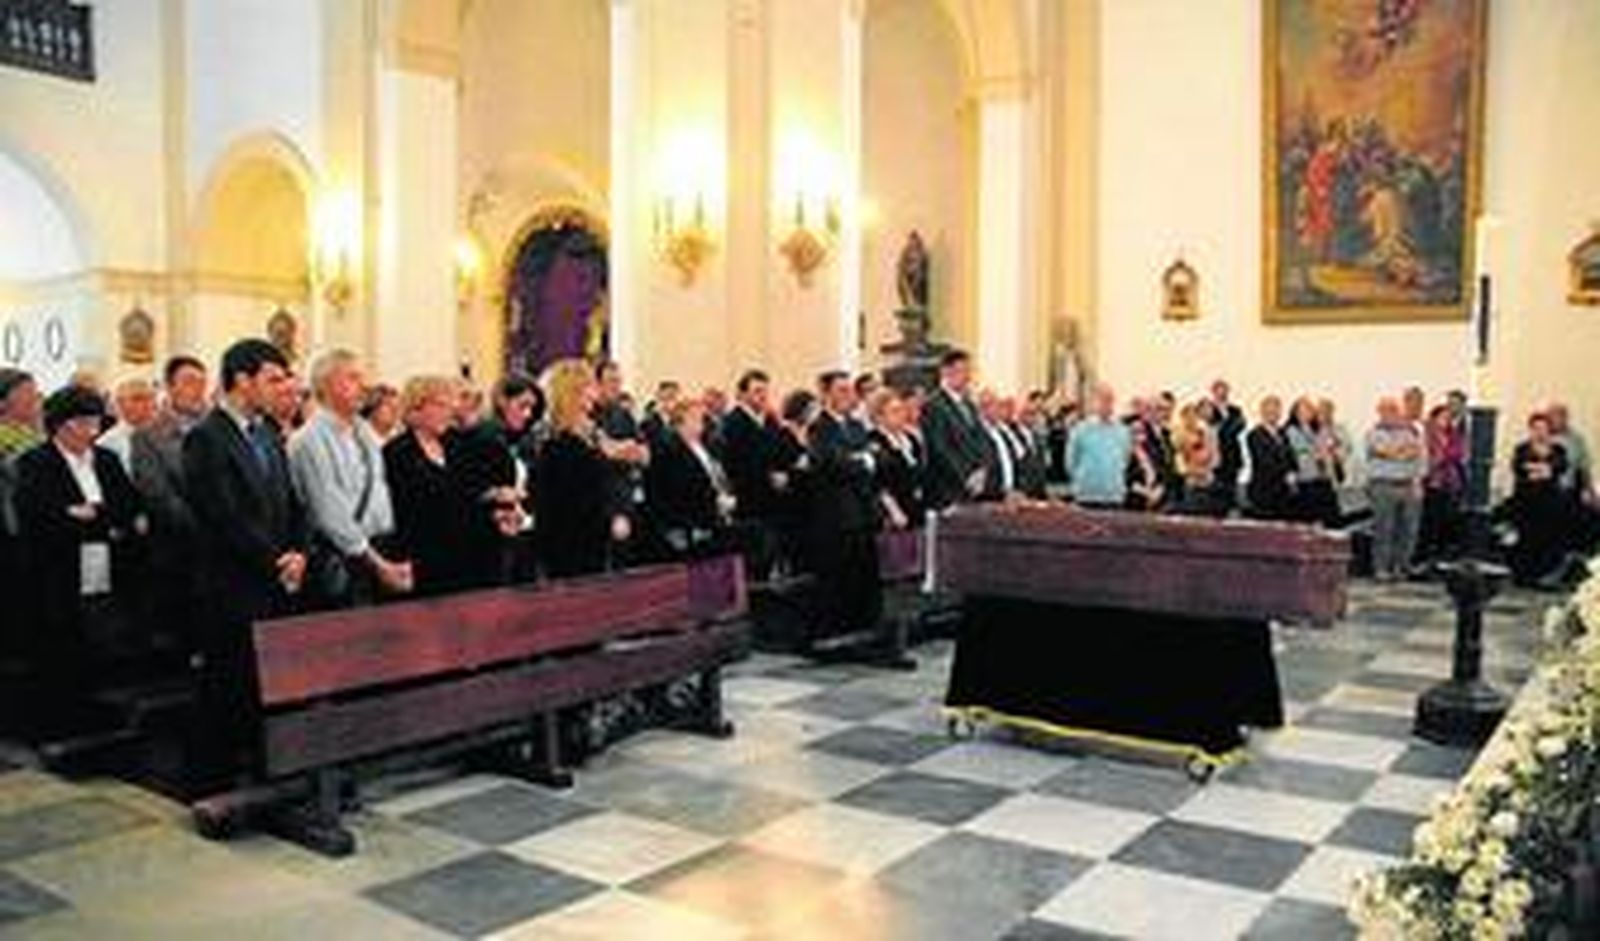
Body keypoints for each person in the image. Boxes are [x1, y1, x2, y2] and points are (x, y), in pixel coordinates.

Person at [182, 339, 307, 789]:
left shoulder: (267, 434)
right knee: (227, 681)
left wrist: (299, 551)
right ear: (241, 380)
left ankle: (262, 765)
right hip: (231, 583)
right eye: (274, 379)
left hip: (274, 579)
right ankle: (212, 779)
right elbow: (223, 515)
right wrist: (276, 559)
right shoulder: (206, 438)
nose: (283, 388)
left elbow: (293, 504)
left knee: (264, 683)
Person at [14, 386, 147, 739]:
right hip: (60, 571)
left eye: (94, 422)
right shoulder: (35, 464)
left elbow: (129, 507)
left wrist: (92, 516)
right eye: (82, 423)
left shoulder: (106, 460)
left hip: (109, 564)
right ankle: (62, 722)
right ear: (59, 425)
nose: (91, 431)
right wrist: (87, 519)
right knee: (63, 641)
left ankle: (100, 714)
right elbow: (40, 518)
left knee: (104, 637)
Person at [288, 349, 410, 608]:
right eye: (352, 378)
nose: (363, 386)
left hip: (383, 548)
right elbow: (329, 511)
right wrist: (378, 563)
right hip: (347, 558)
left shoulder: (364, 431)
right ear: (325, 385)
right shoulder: (309, 440)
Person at [385, 376, 513, 596]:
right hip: (428, 563)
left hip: (472, 559)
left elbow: (471, 488)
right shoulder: (397, 453)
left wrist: (494, 504)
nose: (450, 411)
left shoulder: (458, 445)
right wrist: (483, 497)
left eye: (450, 404)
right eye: (441, 404)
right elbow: (416, 506)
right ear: (416, 409)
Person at [130, 355, 211, 660]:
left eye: (202, 383)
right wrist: (205, 526)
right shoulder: (147, 436)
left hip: (219, 547)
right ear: (169, 387)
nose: (198, 390)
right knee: (184, 630)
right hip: (179, 548)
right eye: (189, 383)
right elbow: (159, 495)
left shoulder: (215, 429)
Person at [537, 359, 631, 578]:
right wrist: (610, 520)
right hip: (571, 547)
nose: (595, 391)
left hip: (591, 541)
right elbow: (573, 503)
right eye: (590, 385)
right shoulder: (560, 444)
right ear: (574, 393)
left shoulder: (587, 436)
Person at [808, 371, 883, 643]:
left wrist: (860, 459)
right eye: (840, 390)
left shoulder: (856, 426)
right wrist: (862, 460)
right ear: (826, 395)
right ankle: (835, 631)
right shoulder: (820, 428)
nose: (847, 395)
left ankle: (861, 628)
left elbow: (876, 458)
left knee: (861, 572)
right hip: (835, 514)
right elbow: (832, 464)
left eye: (849, 390)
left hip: (861, 510)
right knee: (837, 575)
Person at [646, 398, 738, 560]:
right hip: (690, 524)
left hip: (716, 518)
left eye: (701, 417)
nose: (701, 422)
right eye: (695, 417)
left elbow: (716, 474)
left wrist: (725, 494)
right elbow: (672, 491)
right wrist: (713, 501)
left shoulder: (706, 445)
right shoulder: (668, 449)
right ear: (679, 423)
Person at [1506, 412, 1572, 586]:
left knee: (1546, 537)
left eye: (1543, 428)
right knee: (1526, 537)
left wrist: (1541, 470)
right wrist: (1542, 470)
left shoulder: (1558, 449)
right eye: (1536, 428)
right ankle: (1522, 575)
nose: (1539, 432)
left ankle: (1542, 575)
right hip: (1526, 500)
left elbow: (1560, 467)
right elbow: (1518, 467)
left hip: (1549, 501)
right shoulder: (1522, 448)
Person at [1365, 396, 1427, 581]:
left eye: (1393, 410)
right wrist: (1400, 452)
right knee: (1384, 529)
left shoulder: (1411, 432)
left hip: (1408, 485)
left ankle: (1401, 567)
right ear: (1379, 412)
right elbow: (1386, 452)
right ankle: (1382, 568)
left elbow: (1417, 454)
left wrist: (1417, 481)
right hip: (1383, 485)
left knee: (1408, 530)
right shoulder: (1373, 433)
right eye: (1386, 410)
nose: (1390, 414)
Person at [920, 350, 990, 510]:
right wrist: (966, 476)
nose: (967, 377)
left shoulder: (969, 405)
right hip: (947, 489)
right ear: (945, 371)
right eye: (962, 371)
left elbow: (981, 439)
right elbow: (940, 448)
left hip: (974, 487)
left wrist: (982, 470)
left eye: (969, 371)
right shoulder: (934, 405)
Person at [1067, 383, 1132, 509]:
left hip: (1114, 495)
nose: (1106, 404)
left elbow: (1125, 459)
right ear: (1093, 402)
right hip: (1087, 495)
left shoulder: (1122, 431)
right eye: (1102, 399)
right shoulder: (1081, 429)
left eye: (1109, 400)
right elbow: (1071, 462)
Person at [866, 389, 925, 529]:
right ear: (879, 417)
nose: (902, 415)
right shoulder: (873, 441)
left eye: (902, 410)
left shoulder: (910, 438)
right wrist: (893, 510)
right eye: (894, 411)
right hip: (894, 511)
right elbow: (877, 483)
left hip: (916, 505)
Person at [1416, 403, 1466, 564]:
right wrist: (1439, 458)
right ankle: (1423, 557)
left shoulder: (1454, 435)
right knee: (1429, 521)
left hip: (1450, 483)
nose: (1446, 421)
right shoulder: (1427, 435)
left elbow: (1458, 453)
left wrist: (1444, 456)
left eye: (1448, 418)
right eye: (1443, 417)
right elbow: (1428, 457)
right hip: (1431, 482)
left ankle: (1440, 556)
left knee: (1447, 521)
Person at [1285, 396, 1339, 526]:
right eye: (1303, 410)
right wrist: (1318, 451)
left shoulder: (1320, 429)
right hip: (1305, 480)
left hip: (1324, 478)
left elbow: (1330, 446)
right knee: (1307, 520)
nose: (1307, 413)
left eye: (1309, 409)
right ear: (1295, 413)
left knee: (1331, 519)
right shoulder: (1291, 430)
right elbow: (1300, 450)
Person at [1245, 396, 1297, 520]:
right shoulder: (1254, 435)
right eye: (1269, 411)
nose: (1273, 414)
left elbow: (1290, 456)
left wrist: (1293, 471)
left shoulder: (1283, 433)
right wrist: (1286, 472)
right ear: (1262, 412)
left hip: (1283, 491)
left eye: (1276, 410)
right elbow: (1264, 461)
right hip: (1264, 491)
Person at [98, 375, 159, 473]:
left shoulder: (164, 435)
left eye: (151, 397)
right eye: (138, 399)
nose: (148, 404)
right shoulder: (107, 444)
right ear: (119, 404)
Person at [1209, 380, 1246, 511]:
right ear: (1213, 392)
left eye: (1224, 390)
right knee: (1218, 490)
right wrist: (1228, 426)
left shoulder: (1235, 409)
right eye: (1218, 390)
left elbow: (1240, 426)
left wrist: (1223, 427)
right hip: (1216, 456)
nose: (1222, 394)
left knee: (1232, 489)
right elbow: (1212, 429)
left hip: (1233, 456)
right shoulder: (1209, 409)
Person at [1125, 419, 1167, 512]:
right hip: (1135, 501)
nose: (1139, 434)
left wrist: (1158, 490)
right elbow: (1128, 480)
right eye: (1134, 431)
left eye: (1141, 430)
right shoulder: (1126, 453)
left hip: (1156, 501)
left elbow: (1162, 474)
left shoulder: (1154, 452)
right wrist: (1146, 493)